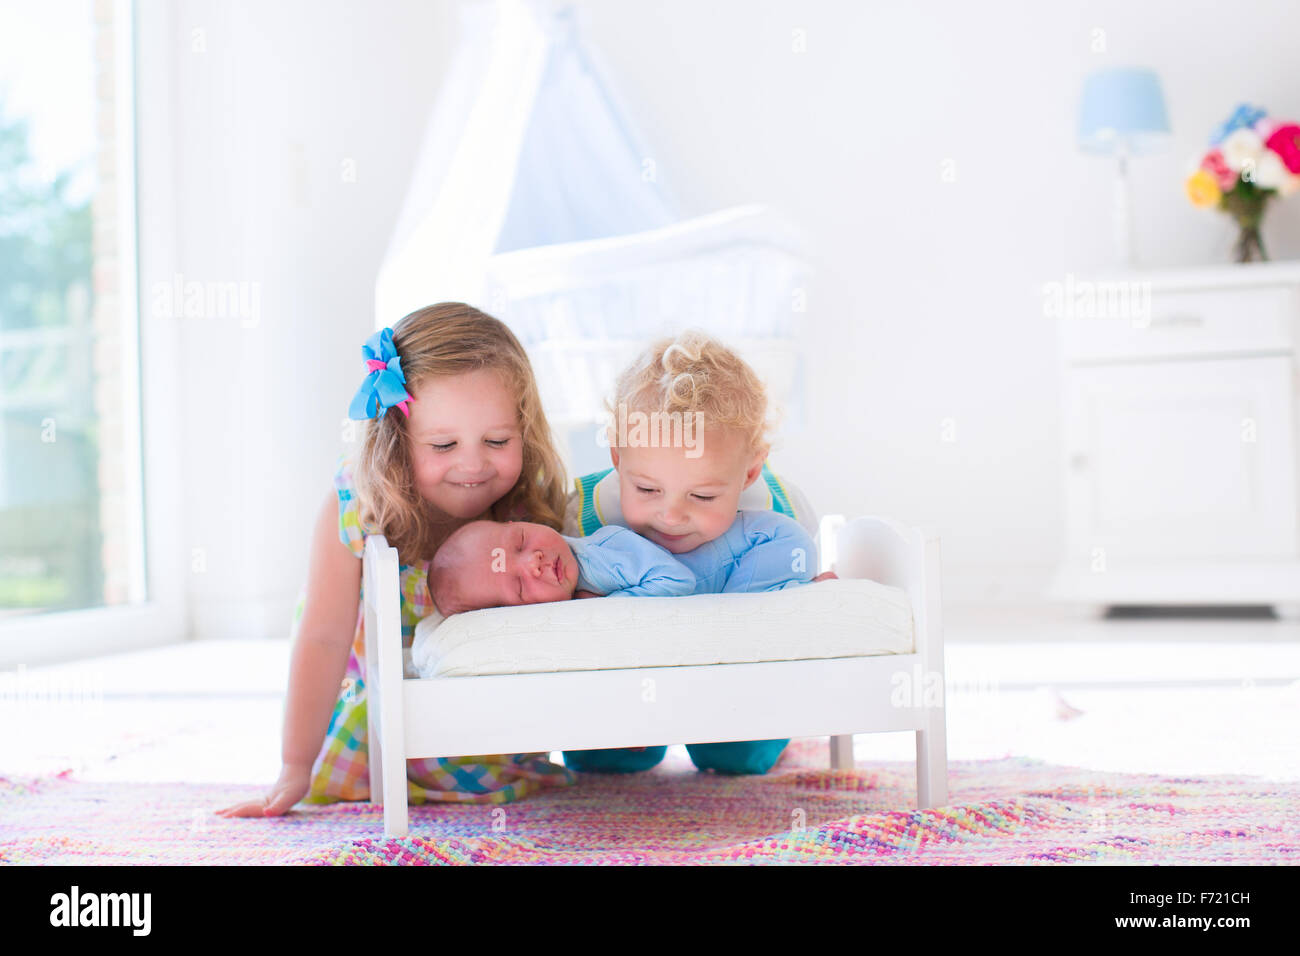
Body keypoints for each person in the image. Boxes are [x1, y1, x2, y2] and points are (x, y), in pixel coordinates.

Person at [216, 303, 578, 818]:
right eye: (443, 444)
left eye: (497, 441)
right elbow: (321, 639)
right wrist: (294, 766)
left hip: (492, 742)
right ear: (396, 441)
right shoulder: (358, 507)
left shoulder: (529, 512)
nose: (473, 464)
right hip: (377, 742)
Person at [561, 329, 835, 776]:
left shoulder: (783, 511)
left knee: (738, 757)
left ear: (748, 473)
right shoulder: (583, 514)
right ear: (617, 456)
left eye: (703, 496)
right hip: (627, 675)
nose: (671, 515)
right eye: (647, 489)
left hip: (737, 681)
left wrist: (812, 599)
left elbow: (795, 602)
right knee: (601, 756)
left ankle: (738, 742)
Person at [427, 507, 817, 614]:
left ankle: (810, 588)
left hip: (768, 543)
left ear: (520, 521)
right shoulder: (575, 587)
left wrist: (606, 609)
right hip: (762, 550)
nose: (535, 563)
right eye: (518, 586)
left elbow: (677, 582)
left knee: (741, 615)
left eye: (521, 541)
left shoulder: (605, 552)